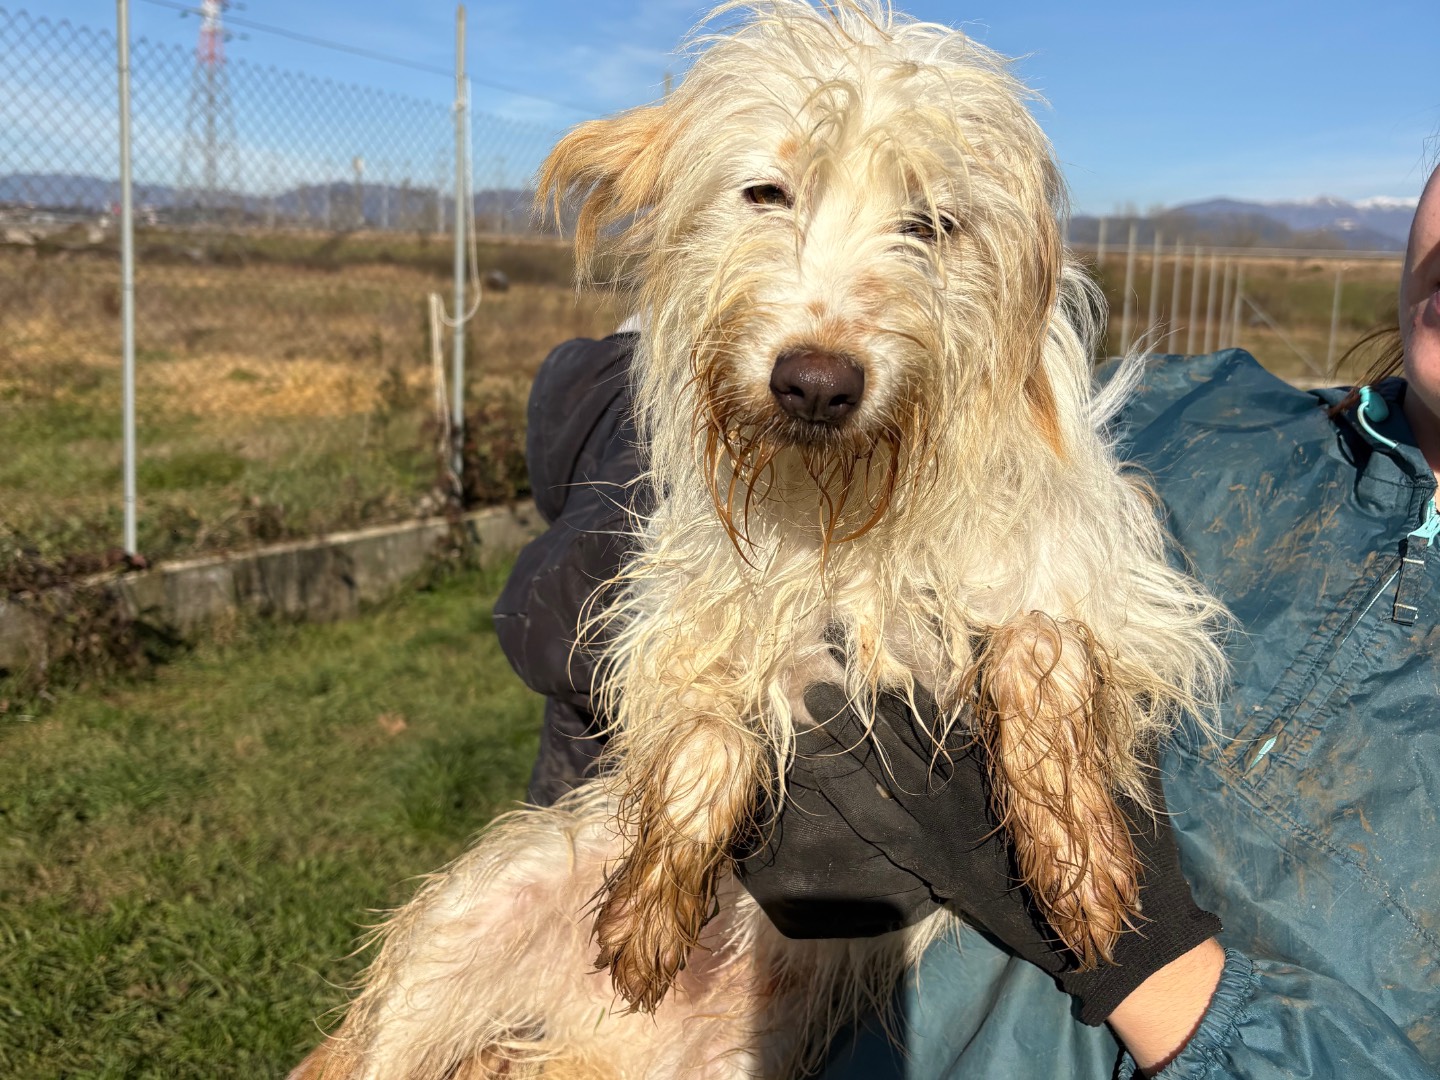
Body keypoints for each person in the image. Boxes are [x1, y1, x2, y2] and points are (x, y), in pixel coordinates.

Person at [492, 165, 1440, 1079]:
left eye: (930, 225)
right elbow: (607, 399)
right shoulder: (1202, 416)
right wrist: (663, 474)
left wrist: (1159, 972)